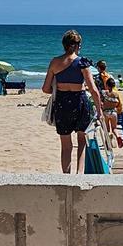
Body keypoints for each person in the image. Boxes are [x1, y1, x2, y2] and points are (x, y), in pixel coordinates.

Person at [43, 30, 103, 174]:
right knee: (81, 141)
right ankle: (79, 174)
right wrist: (99, 111)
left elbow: (45, 88)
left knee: (65, 145)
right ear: (77, 45)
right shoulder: (82, 62)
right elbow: (93, 89)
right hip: (80, 102)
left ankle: (66, 175)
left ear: (64, 45)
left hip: (62, 103)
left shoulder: (55, 62)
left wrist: (60, 89)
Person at [101, 77, 123, 148]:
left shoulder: (104, 92)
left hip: (106, 112)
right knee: (114, 128)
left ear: (107, 85)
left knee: (107, 129)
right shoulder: (116, 94)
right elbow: (119, 104)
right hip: (114, 113)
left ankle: (108, 143)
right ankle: (117, 136)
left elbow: (101, 101)